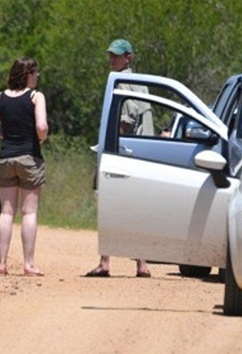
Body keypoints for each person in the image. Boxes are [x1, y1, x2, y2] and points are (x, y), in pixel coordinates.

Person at [85, 39, 152, 278]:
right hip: (141, 152)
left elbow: (125, 120)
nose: (112, 59)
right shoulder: (140, 82)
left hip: (124, 152)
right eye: (111, 55)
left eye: (117, 55)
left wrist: (110, 151)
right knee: (138, 210)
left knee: (110, 206)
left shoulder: (124, 81)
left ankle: (106, 263)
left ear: (128, 58)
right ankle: (141, 264)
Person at [0, 56, 48, 276]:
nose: (38, 76)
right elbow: (41, 126)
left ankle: (2, 263)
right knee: (29, 212)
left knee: (7, 212)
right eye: (35, 73)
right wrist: (41, 138)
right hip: (29, 157)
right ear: (28, 74)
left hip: (6, 158)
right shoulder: (35, 96)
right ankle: (28, 264)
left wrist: (8, 136)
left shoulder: (1, 96)